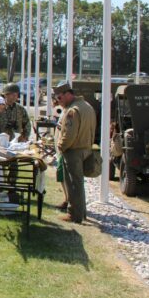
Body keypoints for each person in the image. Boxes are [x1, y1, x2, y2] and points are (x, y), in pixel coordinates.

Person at [52, 82, 96, 223]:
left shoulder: (72, 111)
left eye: (59, 98)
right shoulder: (87, 106)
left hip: (73, 151)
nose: (59, 101)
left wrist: (61, 146)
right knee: (78, 182)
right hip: (85, 148)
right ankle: (81, 212)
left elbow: (69, 135)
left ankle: (74, 215)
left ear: (67, 94)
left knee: (73, 184)